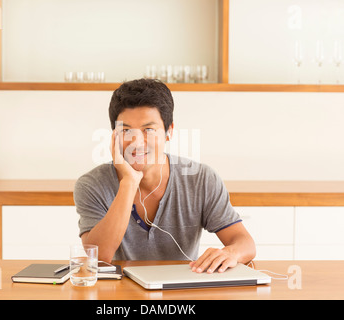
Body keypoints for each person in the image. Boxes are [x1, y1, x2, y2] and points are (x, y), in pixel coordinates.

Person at [74, 78, 256, 273]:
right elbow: (100, 257)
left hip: (181, 292)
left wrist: (231, 253)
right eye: (126, 130)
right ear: (114, 135)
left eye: (149, 130)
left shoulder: (201, 179)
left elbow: (245, 243)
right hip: (121, 292)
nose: (137, 142)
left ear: (169, 132)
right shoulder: (91, 185)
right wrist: (129, 181)